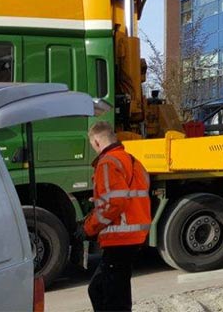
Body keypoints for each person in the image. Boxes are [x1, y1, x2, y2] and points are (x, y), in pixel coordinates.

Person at [79, 121, 151, 312]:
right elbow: (131, 196)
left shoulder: (107, 163)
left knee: (107, 295)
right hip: (133, 236)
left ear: (96, 141)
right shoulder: (132, 160)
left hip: (120, 238)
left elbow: (115, 204)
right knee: (106, 291)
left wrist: (88, 227)